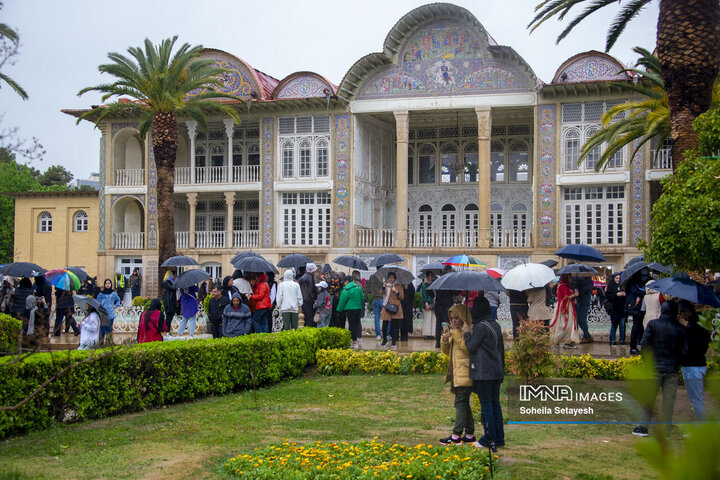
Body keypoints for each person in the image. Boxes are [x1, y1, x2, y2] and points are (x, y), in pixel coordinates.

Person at [633, 300, 686, 437]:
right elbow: (685, 351)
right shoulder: (681, 329)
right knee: (668, 401)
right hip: (672, 369)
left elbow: (644, 344)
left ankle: (643, 427)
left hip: (654, 368)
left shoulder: (653, 325)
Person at [463, 295, 505, 449]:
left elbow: (470, 347)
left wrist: (467, 332)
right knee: (495, 404)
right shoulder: (495, 325)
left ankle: (488, 438)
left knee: (486, 405)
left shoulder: (480, 327)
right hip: (496, 370)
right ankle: (498, 437)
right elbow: (501, 350)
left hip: (483, 372)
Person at [439, 304, 476, 445]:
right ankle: (470, 433)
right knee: (464, 403)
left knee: (460, 403)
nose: (453, 321)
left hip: (465, 373)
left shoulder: (468, 331)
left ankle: (456, 435)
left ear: (463, 318)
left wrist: (456, 333)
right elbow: (446, 350)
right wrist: (444, 340)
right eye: (451, 318)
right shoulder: (456, 332)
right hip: (456, 372)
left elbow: (467, 348)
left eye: (456, 318)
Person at [678, 300, 711, 420]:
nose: (681, 316)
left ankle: (701, 427)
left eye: (681, 313)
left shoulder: (692, 329)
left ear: (687, 312)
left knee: (696, 399)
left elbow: (688, 349)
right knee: (696, 399)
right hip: (698, 364)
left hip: (692, 366)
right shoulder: (700, 327)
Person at [550, 274, 579, 348]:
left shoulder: (565, 286)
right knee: (564, 324)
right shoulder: (562, 286)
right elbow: (565, 298)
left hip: (567, 306)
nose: (571, 279)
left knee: (567, 324)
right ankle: (559, 340)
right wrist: (574, 295)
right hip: (565, 307)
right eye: (570, 277)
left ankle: (567, 340)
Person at [337, 275, 365, 349]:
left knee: (351, 325)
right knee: (357, 323)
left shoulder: (346, 289)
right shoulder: (358, 288)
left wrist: (339, 310)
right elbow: (363, 297)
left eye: (344, 282)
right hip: (358, 308)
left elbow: (342, 301)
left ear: (347, 281)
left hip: (350, 309)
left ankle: (354, 341)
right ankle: (358, 339)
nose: (343, 284)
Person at [380, 272, 404, 349]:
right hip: (386, 307)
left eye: (392, 277)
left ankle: (394, 341)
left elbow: (402, 297)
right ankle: (384, 340)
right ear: (387, 278)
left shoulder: (398, 286)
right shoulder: (386, 285)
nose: (391, 279)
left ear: (394, 278)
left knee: (394, 326)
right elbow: (381, 292)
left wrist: (396, 291)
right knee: (384, 325)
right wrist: (383, 286)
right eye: (389, 277)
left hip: (395, 308)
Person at [626, 274, 647, 355]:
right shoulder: (632, 282)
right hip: (636, 308)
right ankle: (633, 347)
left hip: (641, 308)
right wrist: (644, 291)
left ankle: (639, 344)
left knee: (640, 327)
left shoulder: (640, 281)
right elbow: (636, 291)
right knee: (636, 326)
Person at [434, 267, 454, 348]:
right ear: (448, 272)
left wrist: (434, 296)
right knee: (448, 323)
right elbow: (455, 292)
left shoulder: (438, 281)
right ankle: (448, 340)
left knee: (438, 324)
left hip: (438, 305)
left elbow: (430, 290)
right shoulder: (449, 282)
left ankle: (438, 342)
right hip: (446, 306)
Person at [605, 273, 627, 345]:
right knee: (614, 324)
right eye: (616, 278)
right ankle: (613, 340)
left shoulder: (623, 286)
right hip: (614, 309)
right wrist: (616, 295)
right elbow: (608, 296)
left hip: (622, 308)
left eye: (619, 278)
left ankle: (622, 340)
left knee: (622, 325)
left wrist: (624, 294)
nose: (618, 280)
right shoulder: (610, 286)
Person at [573, 274, 594, 343]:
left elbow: (585, 291)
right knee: (578, 320)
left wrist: (579, 290)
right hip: (579, 302)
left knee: (583, 320)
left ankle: (586, 336)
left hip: (584, 303)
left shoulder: (589, 282)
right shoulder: (579, 281)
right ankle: (587, 335)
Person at [298, 263, 318, 327]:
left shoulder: (302, 278)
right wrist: (314, 299)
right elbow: (310, 290)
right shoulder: (310, 278)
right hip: (309, 300)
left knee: (305, 318)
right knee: (310, 319)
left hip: (303, 300)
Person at [369, 264, 385, 341]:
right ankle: (387, 334)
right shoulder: (384, 277)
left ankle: (378, 335)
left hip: (375, 299)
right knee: (386, 317)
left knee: (376, 318)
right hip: (383, 299)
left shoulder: (372, 276)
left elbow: (368, 288)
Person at [420, 272, 436, 338]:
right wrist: (426, 302)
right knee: (427, 319)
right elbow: (424, 294)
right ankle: (427, 334)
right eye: (429, 276)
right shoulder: (425, 285)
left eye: (431, 275)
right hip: (427, 303)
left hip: (433, 302)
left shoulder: (435, 284)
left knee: (434, 318)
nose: (430, 277)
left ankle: (433, 333)